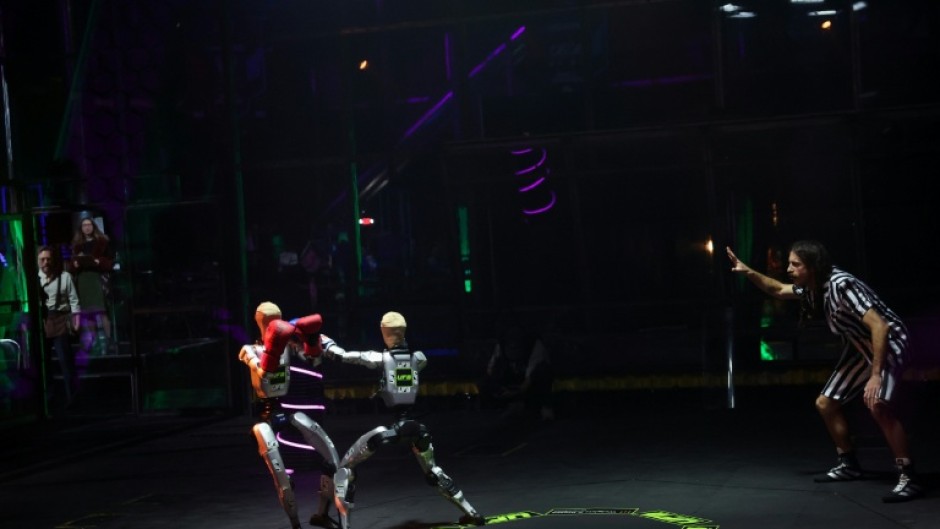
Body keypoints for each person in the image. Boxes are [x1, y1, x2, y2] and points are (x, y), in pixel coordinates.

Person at [726, 240, 923, 503]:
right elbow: (780, 290)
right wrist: (748, 271)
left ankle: (908, 476)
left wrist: (875, 375)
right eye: (789, 263)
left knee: (877, 405)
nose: (789, 269)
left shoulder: (842, 285)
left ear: (813, 266)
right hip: (861, 346)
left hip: (889, 344)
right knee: (825, 403)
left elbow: (881, 327)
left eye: (796, 264)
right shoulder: (815, 286)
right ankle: (849, 463)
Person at [319, 312, 485, 529]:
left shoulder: (380, 358)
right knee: (434, 472)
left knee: (345, 468)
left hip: (392, 429)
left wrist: (326, 343)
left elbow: (345, 356)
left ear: (383, 332)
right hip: (415, 426)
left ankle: (344, 525)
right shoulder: (418, 358)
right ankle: (472, 512)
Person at [238, 301, 341, 529]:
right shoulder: (249, 350)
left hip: (289, 411)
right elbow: (263, 371)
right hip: (266, 417)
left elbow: (314, 360)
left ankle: (322, 514)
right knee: (282, 477)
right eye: (268, 320)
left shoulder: (289, 344)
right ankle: (295, 525)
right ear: (259, 322)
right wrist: (274, 348)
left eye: (276, 318)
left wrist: (311, 340)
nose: (272, 322)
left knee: (332, 456)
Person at [479, 324, 554, 422]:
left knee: (542, 371)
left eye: (516, 348)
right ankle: (500, 407)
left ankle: (544, 407)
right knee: (484, 381)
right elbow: (491, 369)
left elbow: (530, 374)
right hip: (512, 377)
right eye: (511, 348)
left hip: (531, 382)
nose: (513, 350)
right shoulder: (500, 346)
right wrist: (498, 388)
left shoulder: (535, 346)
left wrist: (518, 391)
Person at [38, 245, 81, 410]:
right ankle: (49, 398)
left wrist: (77, 321)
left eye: (48, 259)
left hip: (60, 320)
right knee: (44, 363)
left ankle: (73, 399)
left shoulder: (65, 277)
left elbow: (74, 301)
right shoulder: (35, 278)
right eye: (42, 259)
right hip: (42, 321)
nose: (45, 262)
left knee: (66, 362)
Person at [70, 217, 114, 353]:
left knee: (102, 311)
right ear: (81, 229)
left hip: (97, 278)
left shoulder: (102, 242)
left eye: (89, 225)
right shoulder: (77, 245)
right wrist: (75, 264)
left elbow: (110, 261)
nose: (87, 227)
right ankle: (94, 341)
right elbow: (72, 265)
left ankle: (109, 341)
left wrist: (98, 261)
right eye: (84, 225)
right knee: (88, 313)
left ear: (93, 226)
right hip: (83, 279)